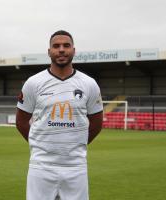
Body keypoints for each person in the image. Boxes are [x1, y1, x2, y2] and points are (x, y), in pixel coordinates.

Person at [16, 30, 103, 200]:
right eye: (56, 46)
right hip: (41, 166)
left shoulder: (89, 84)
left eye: (66, 45)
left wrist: (75, 145)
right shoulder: (33, 83)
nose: (61, 50)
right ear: (49, 51)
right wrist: (40, 144)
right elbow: (21, 121)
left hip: (75, 166)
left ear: (74, 50)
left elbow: (97, 123)